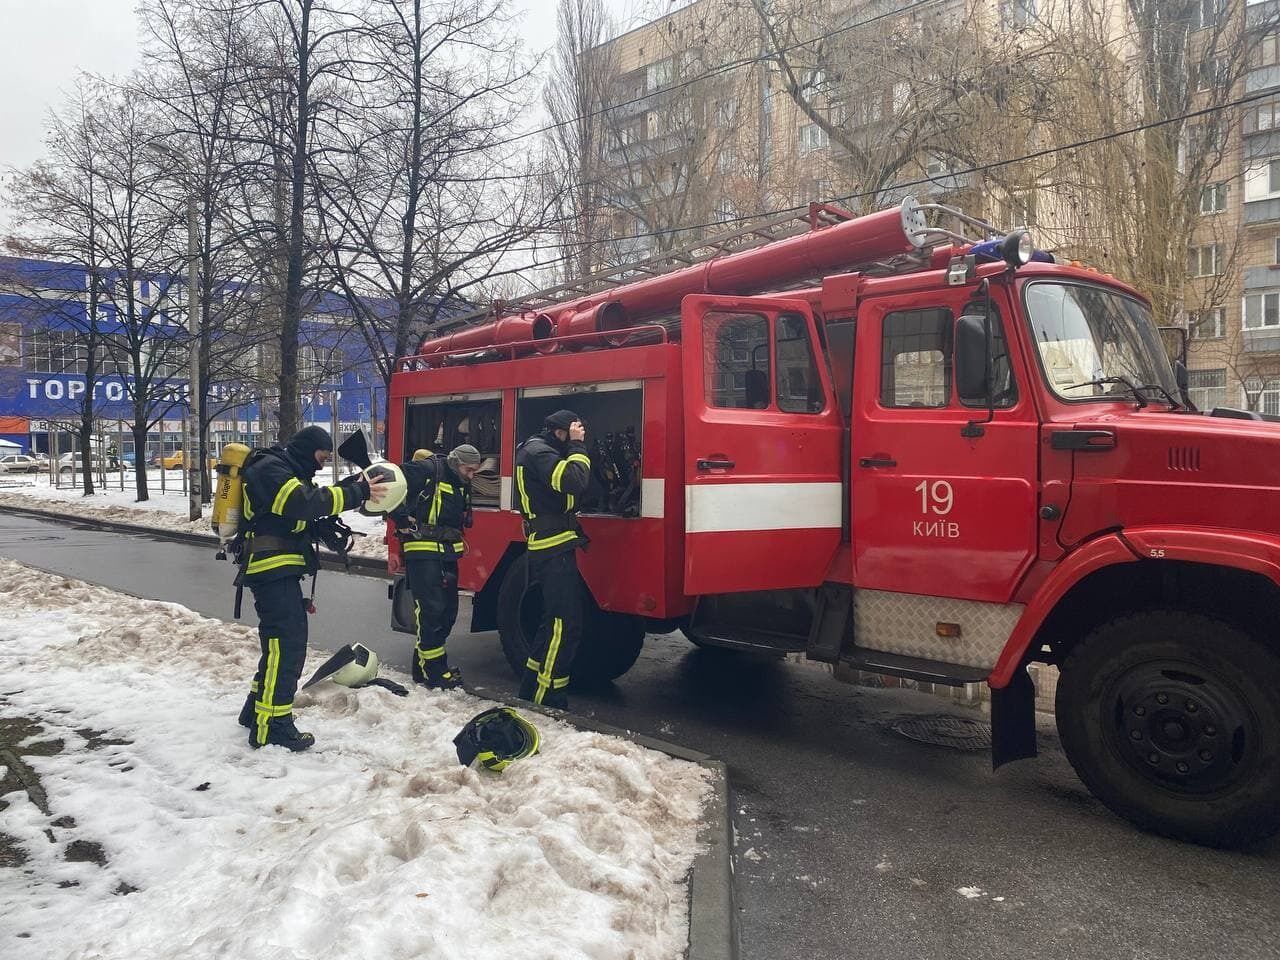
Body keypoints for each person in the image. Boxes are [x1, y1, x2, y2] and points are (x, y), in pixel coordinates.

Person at [235, 426, 387, 751]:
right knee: (286, 647)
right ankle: (272, 727)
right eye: (321, 457)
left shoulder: (286, 471)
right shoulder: (270, 469)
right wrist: (355, 494)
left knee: (278, 647)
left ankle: (256, 711)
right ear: (307, 449)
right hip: (270, 571)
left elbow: (304, 511)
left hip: (280, 572)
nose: (321, 465)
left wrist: (340, 504)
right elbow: (302, 503)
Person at [513, 410, 592, 709]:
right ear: (561, 431)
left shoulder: (536, 449)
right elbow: (574, 481)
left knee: (551, 623)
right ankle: (550, 697)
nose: (578, 436)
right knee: (565, 624)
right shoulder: (539, 451)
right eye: (574, 432)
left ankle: (531, 688)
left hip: (551, 544)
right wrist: (577, 446)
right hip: (553, 546)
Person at [392, 443, 482, 690]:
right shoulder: (426, 470)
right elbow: (390, 484)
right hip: (422, 549)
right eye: (468, 469)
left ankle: (421, 666)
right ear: (455, 462)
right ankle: (434, 671)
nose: (471, 476)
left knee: (448, 613)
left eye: (475, 471)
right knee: (431, 609)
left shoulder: (458, 481)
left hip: (448, 552)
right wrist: (400, 518)